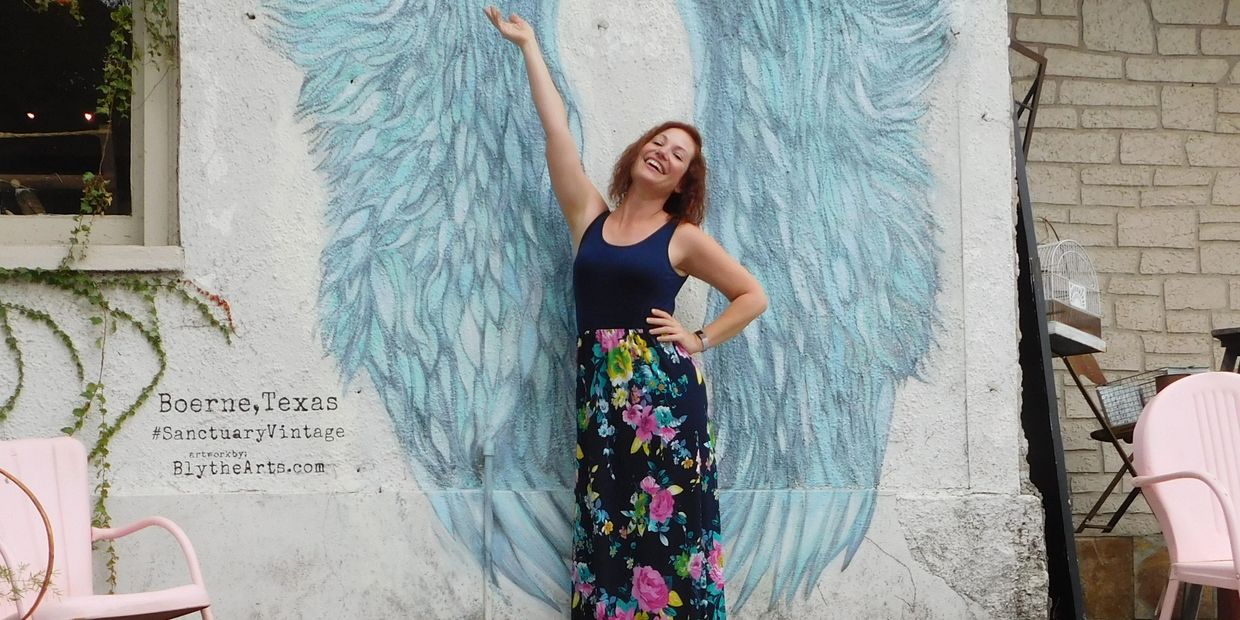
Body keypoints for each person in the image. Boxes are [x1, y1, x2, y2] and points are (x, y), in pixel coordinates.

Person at [485, 7, 767, 619]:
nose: (664, 154)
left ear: (683, 181)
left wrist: (698, 338)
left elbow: (752, 295)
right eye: (658, 143)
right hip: (602, 397)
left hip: (664, 399)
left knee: (668, 528)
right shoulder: (590, 215)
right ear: (638, 153)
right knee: (608, 520)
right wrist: (529, 47)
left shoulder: (683, 236)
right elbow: (556, 130)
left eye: (679, 155)